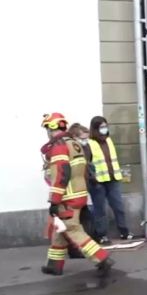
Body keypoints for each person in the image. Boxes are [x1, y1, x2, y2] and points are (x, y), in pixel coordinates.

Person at [39, 113, 114, 277]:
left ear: (52, 128)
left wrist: (54, 200)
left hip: (67, 197)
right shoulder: (74, 144)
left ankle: (102, 259)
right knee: (60, 231)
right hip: (78, 193)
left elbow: (61, 174)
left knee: (72, 229)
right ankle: (54, 265)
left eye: (47, 128)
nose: (47, 132)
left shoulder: (59, 146)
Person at [87, 116, 132, 243]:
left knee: (119, 206)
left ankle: (124, 231)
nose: (105, 129)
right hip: (98, 182)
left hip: (113, 179)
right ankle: (101, 235)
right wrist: (92, 178)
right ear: (95, 128)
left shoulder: (108, 140)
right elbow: (87, 163)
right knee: (100, 209)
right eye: (101, 127)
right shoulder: (90, 143)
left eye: (105, 126)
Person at [67, 124, 97, 241]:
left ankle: (84, 242)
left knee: (84, 218)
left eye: (86, 138)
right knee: (76, 221)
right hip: (72, 191)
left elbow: (88, 165)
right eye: (83, 139)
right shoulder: (68, 149)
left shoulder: (85, 147)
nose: (85, 141)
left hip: (83, 187)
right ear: (74, 137)